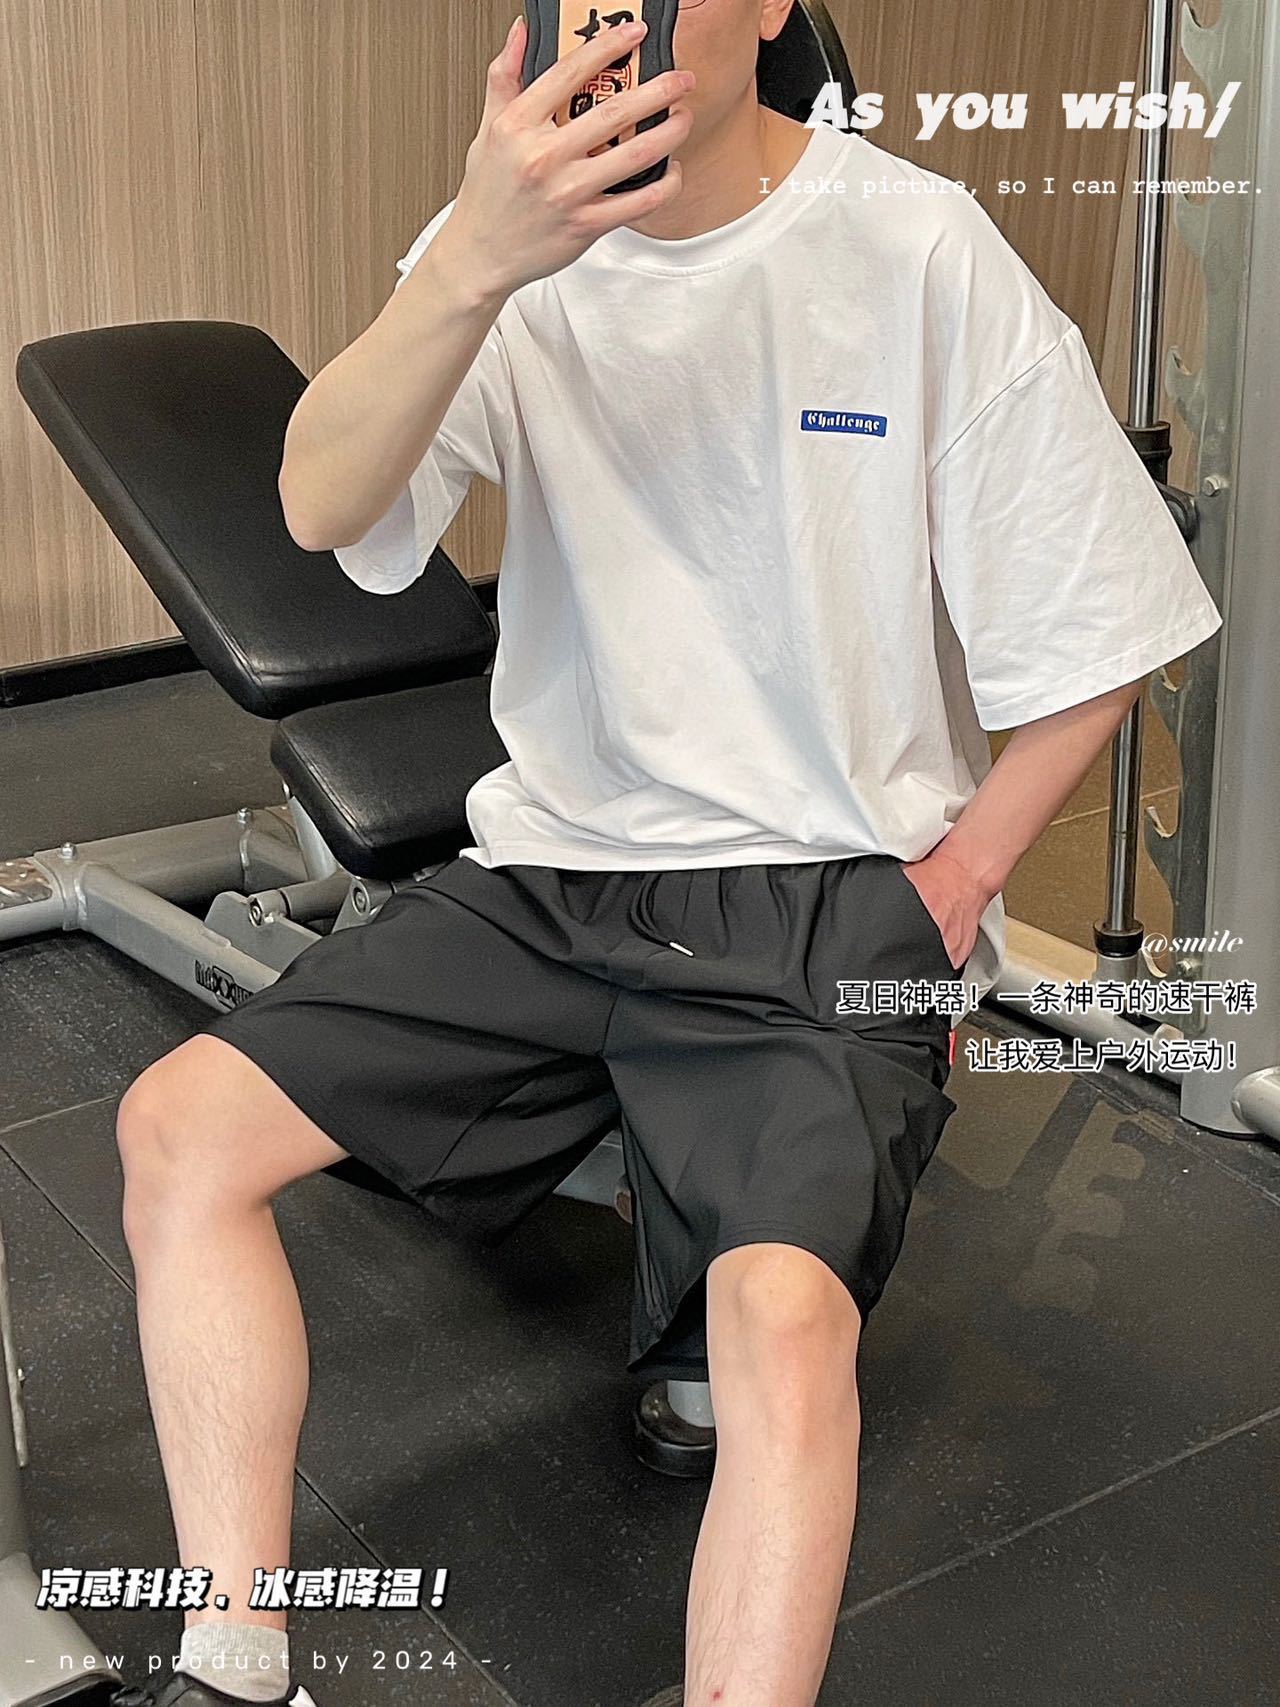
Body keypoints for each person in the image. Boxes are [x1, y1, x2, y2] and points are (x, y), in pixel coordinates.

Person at [109, 4, 1222, 1705]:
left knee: (783, 1321)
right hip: (557, 873)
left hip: (826, 890)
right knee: (178, 1132)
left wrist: (955, 884)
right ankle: (235, 1660)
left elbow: (1102, 624)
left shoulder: (915, 247)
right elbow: (323, 510)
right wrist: (473, 258)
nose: (621, 15)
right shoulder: (503, 243)